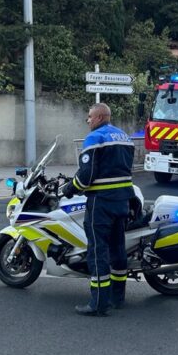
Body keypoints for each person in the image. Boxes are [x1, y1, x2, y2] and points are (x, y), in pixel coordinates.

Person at [62, 103, 135, 316]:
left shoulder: (95, 138)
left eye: (90, 117)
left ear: (100, 117)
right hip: (122, 200)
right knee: (117, 250)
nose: (88, 121)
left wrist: (69, 188)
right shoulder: (124, 137)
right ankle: (117, 297)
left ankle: (99, 304)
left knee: (98, 252)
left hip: (101, 203)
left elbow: (86, 175)